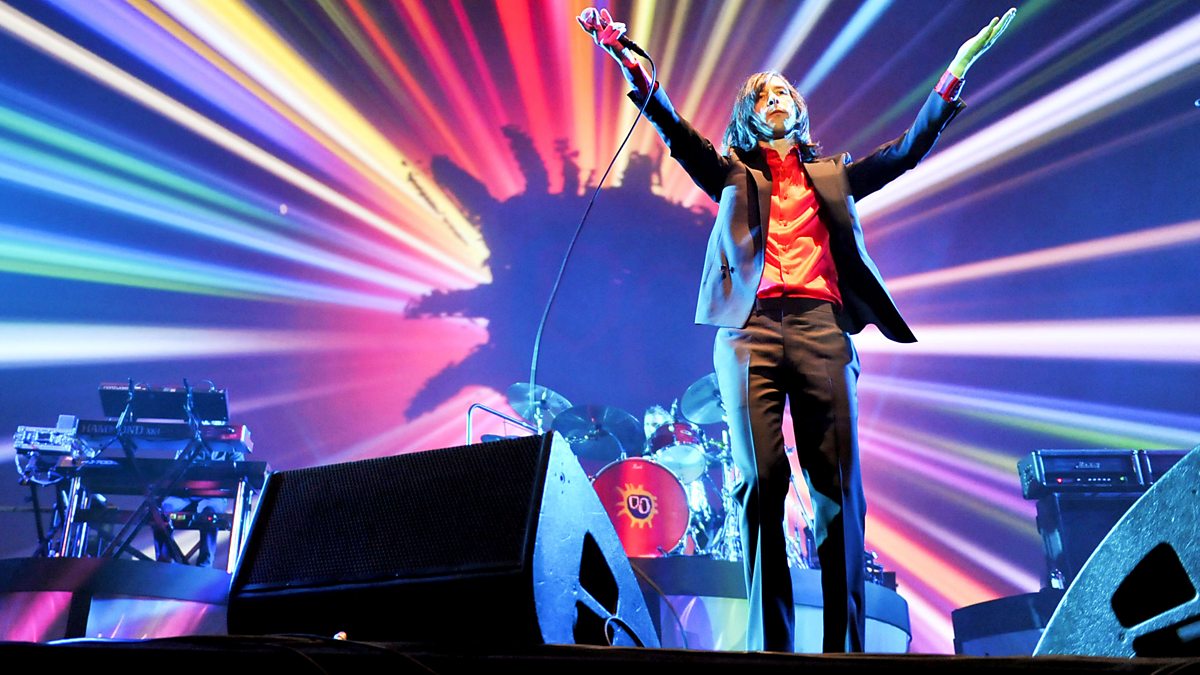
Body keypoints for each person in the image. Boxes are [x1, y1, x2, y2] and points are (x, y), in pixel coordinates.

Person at [577, 6, 1014, 653]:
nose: (776, 97)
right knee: (759, 483)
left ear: (798, 110)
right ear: (749, 115)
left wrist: (957, 70)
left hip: (820, 328)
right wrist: (625, 57)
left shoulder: (833, 174)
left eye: (783, 91)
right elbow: (672, 127)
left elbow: (905, 153)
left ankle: (846, 649)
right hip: (748, 333)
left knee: (837, 490)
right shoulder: (730, 172)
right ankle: (772, 649)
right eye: (763, 94)